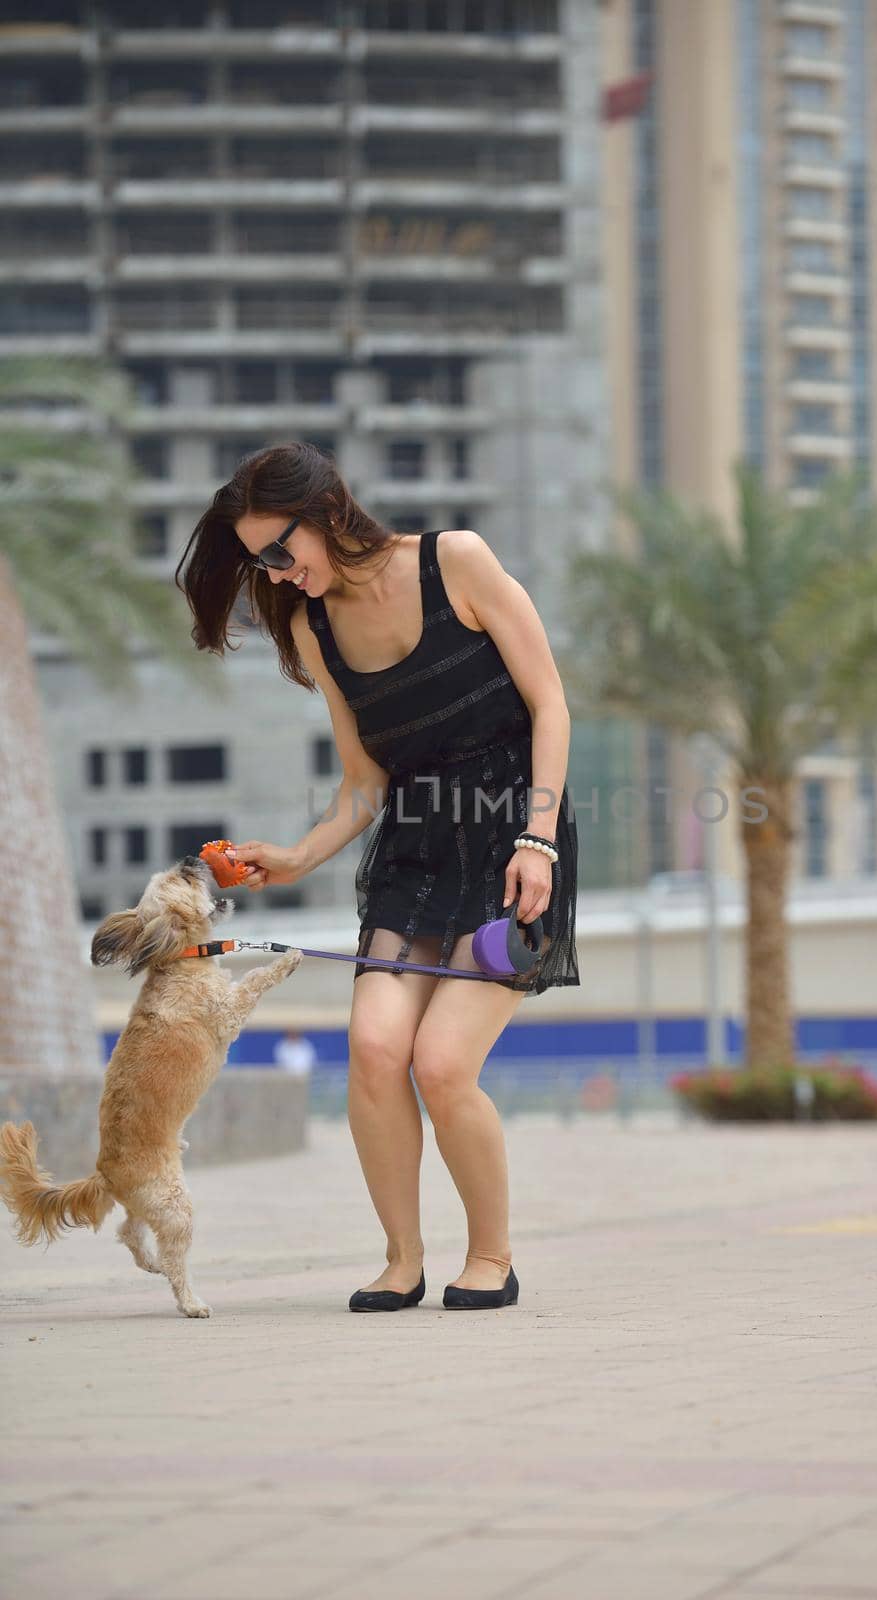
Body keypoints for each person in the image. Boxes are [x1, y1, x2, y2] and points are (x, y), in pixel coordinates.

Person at [177, 442, 579, 1313]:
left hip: (515, 840)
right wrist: (295, 855)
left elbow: (550, 700)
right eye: (261, 565)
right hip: (413, 849)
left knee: (440, 1063)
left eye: (281, 553)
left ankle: (493, 1258)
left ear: (325, 513)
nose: (278, 578)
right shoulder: (307, 627)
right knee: (372, 1049)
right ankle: (402, 1259)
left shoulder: (456, 562)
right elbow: (365, 783)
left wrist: (539, 839)